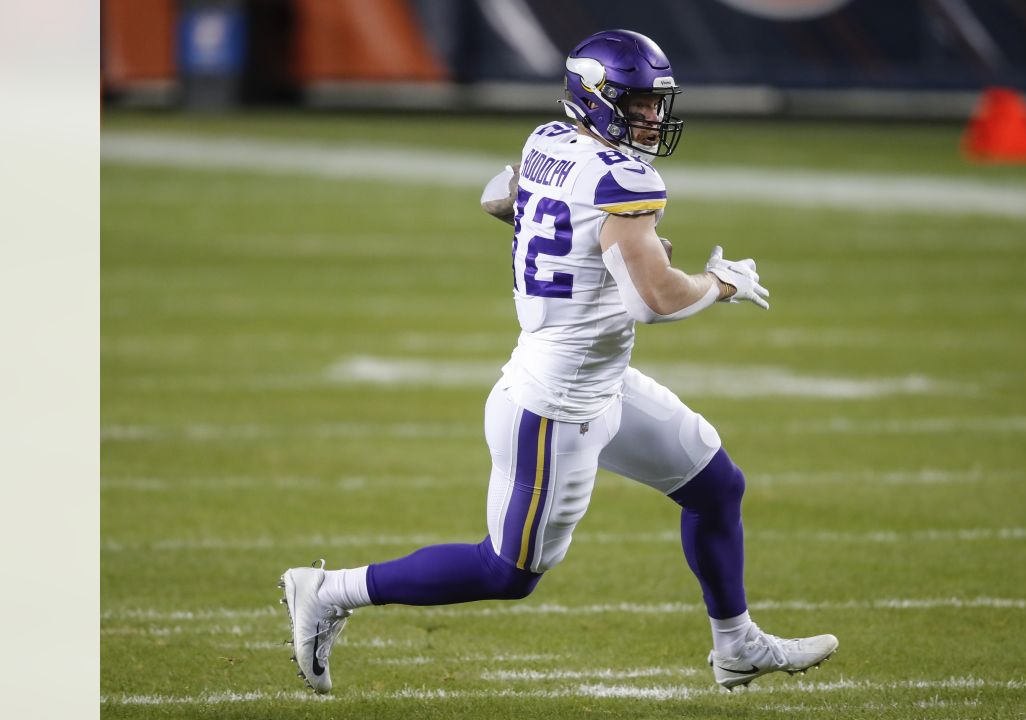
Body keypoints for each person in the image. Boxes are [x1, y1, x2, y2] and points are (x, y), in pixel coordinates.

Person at [280, 28, 837, 695]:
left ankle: (737, 644)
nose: (653, 118)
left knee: (717, 486)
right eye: (638, 104)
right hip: (554, 404)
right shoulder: (624, 177)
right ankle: (329, 590)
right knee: (507, 572)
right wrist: (720, 282)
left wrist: (573, 234)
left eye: (657, 103)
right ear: (599, 100)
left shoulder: (547, 140)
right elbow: (654, 302)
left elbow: (501, 197)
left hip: (599, 383)